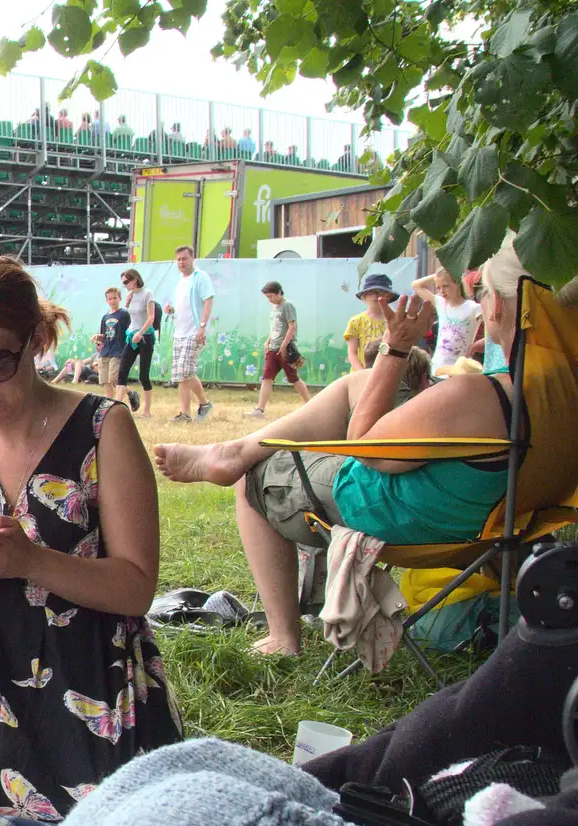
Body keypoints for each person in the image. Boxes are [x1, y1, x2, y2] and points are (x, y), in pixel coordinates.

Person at [152, 241, 567, 656]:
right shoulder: (561, 396)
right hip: (492, 527)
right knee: (354, 386)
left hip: (405, 518)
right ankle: (234, 449)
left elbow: (366, 449)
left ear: (498, 309)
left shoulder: (482, 395)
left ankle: (282, 636)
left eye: (485, 293)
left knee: (254, 477)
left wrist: (395, 349)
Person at [0, 252, 181, 815]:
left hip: (95, 679)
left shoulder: (104, 428)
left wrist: (29, 560)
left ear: (34, 340)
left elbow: (136, 588)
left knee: (102, 822)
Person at [163, 245, 214, 421]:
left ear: (192, 258)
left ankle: (203, 404)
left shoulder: (200, 277)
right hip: (179, 332)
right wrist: (171, 310)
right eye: (178, 259)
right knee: (181, 375)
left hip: (193, 332)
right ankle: (186, 413)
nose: (181, 262)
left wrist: (202, 326)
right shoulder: (180, 281)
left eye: (184, 258)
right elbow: (183, 306)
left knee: (184, 372)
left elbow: (208, 301)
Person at [411, 265, 483, 375]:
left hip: (460, 367)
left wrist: (477, 345)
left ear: (457, 283)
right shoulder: (440, 303)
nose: (442, 291)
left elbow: (493, 326)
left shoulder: (474, 308)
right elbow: (416, 285)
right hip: (437, 366)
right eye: (438, 287)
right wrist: (437, 276)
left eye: (445, 286)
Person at [255, 281, 312, 416]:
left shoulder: (287, 305)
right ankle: (260, 409)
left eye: (271, 296)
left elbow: (292, 327)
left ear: (279, 292)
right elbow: (275, 327)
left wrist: (284, 345)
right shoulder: (274, 307)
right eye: (267, 297)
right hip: (272, 348)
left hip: (285, 349)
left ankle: (310, 405)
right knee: (266, 377)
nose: (270, 300)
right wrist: (267, 342)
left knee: (293, 378)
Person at [118, 268, 156, 417]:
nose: (126, 285)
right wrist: (126, 304)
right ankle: (117, 406)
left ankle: (147, 411)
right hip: (131, 335)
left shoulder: (147, 293)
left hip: (145, 336)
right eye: (123, 283)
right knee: (122, 371)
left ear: (135, 279)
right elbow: (132, 317)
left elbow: (150, 317)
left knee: (143, 375)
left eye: (127, 282)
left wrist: (140, 333)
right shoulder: (130, 295)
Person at [344, 272, 396, 372]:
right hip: (361, 374)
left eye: (381, 291)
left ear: (389, 295)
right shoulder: (356, 321)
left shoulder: (396, 319)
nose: (375, 296)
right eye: (371, 292)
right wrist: (362, 372)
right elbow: (352, 352)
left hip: (389, 373)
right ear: (364, 296)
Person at [94, 286, 131, 408]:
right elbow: (104, 335)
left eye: (115, 298)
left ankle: (129, 392)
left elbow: (128, 332)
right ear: (106, 301)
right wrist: (97, 337)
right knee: (104, 380)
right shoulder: (105, 317)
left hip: (118, 350)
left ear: (119, 298)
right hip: (105, 351)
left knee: (114, 378)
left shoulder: (124, 314)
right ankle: (110, 405)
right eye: (109, 299)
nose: (112, 301)